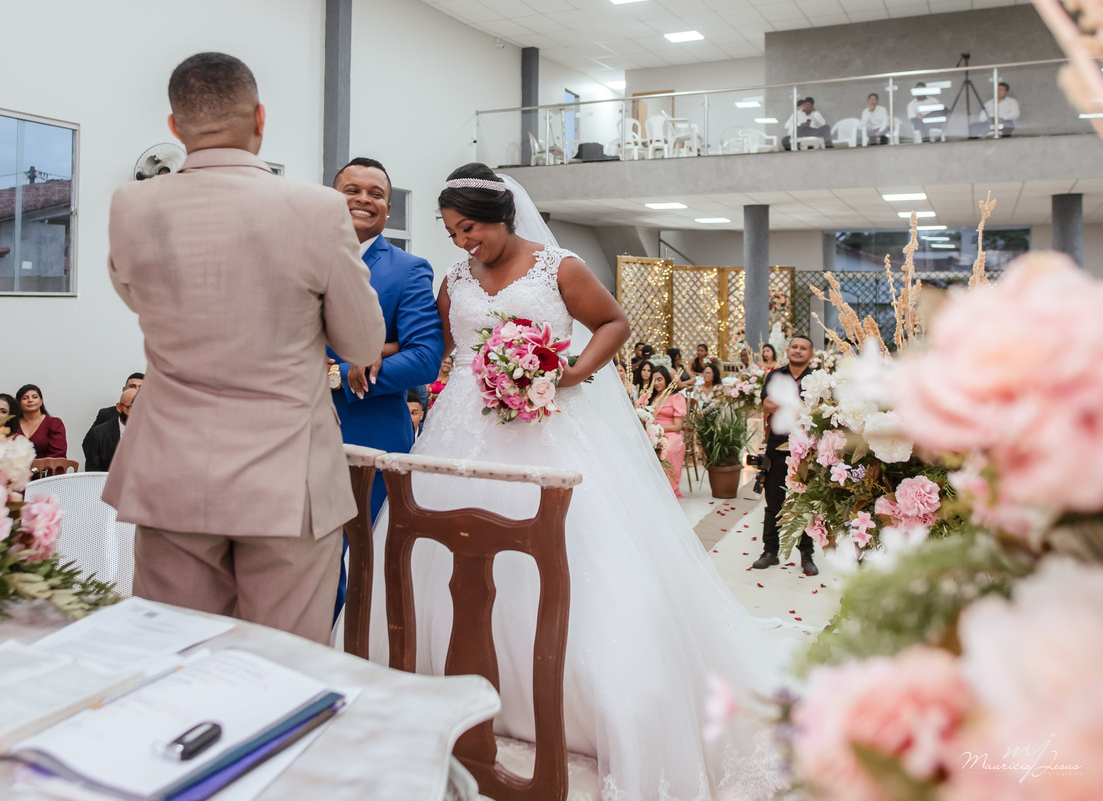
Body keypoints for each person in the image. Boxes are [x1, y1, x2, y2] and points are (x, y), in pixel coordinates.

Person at [347, 163, 786, 800]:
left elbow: (613, 323)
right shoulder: (455, 279)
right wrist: (382, 352)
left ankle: (576, 703)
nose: (464, 242)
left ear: (500, 217)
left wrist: (570, 372)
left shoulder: (560, 266)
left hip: (546, 425)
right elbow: (438, 348)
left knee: (571, 556)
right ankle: (453, 686)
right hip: (461, 430)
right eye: (452, 233)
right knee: (445, 554)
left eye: (470, 228)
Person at [103, 52, 385, 643]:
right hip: (287, 474)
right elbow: (361, 341)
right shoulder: (316, 208)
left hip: (171, 470)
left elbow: (135, 298)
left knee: (173, 654)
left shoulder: (131, 205)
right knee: (283, 663)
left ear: (175, 126)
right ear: (260, 117)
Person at [328, 156, 443, 618]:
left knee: (365, 565)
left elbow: (425, 357)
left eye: (375, 194)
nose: (363, 199)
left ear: (388, 209)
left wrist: (336, 374)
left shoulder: (408, 269)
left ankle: (351, 652)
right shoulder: (298, 256)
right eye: (351, 190)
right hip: (291, 436)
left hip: (369, 435)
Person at [753, 335, 818, 576]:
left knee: (805, 503)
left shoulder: (817, 378)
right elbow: (767, 404)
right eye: (794, 347)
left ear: (810, 354)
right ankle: (770, 551)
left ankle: (806, 554)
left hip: (807, 449)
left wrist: (786, 404)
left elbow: (819, 410)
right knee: (773, 501)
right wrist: (799, 406)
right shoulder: (775, 376)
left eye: (803, 348)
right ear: (788, 350)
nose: (798, 351)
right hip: (777, 446)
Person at [648, 365, 687, 498]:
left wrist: (658, 427)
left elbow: (677, 427)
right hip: (651, 432)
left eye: (660, 379)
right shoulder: (650, 397)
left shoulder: (676, 397)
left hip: (671, 433)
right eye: (654, 380)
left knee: (667, 449)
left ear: (666, 379)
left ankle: (669, 489)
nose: (656, 383)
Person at [82, 387, 138, 472]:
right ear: (119, 407)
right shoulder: (99, 434)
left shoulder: (152, 432)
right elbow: (93, 472)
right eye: (131, 407)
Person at [15, 384, 67, 458]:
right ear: (19, 402)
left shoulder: (54, 423)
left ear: (41, 400)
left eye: (34, 397)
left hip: (49, 465)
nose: (30, 400)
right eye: (25, 398)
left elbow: (58, 454)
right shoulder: (12, 424)